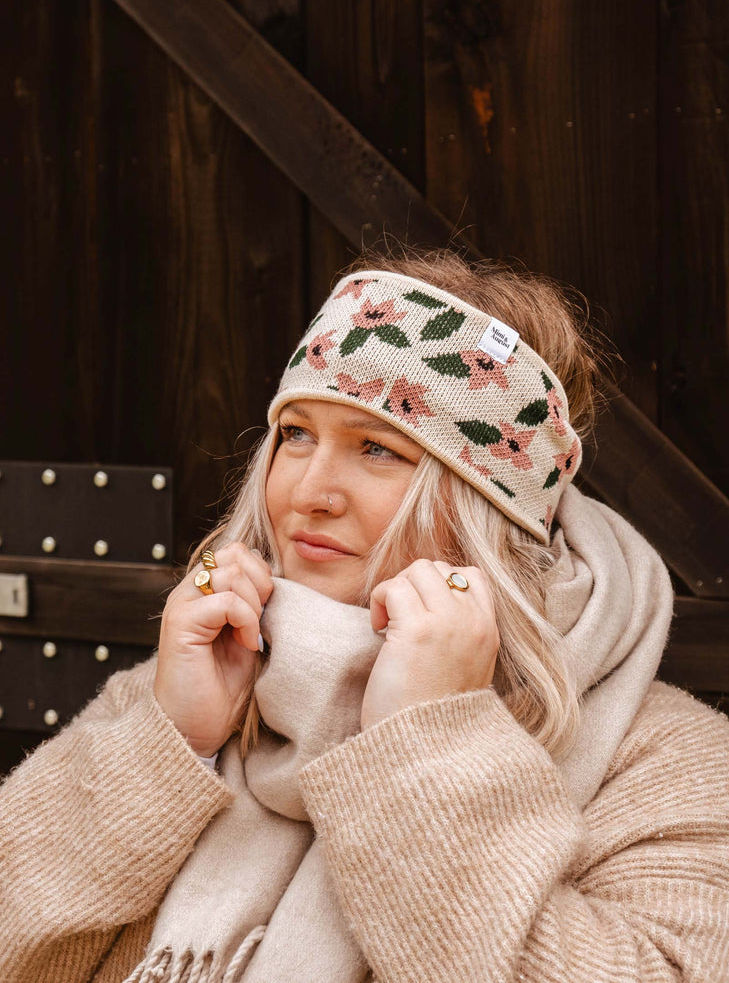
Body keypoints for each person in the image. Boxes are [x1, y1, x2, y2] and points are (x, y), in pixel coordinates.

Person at [1, 248, 728, 983]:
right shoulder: (197, 689)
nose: (308, 491)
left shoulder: (670, 764)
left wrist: (426, 743)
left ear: (488, 505)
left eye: (377, 449)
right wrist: (168, 748)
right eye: (296, 434)